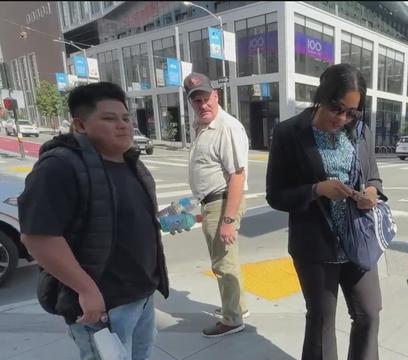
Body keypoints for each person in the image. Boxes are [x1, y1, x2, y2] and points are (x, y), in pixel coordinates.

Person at [18, 82, 169, 360]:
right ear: (80, 125)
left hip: (142, 295)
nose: (123, 125)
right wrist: (86, 290)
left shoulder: (131, 162)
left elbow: (119, 220)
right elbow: (38, 237)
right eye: (109, 118)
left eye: (125, 118)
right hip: (103, 307)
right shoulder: (59, 167)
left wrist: (163, 221)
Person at [266, 63, 384, 360]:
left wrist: (371, 192)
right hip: (316, 246)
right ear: (322, 96)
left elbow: (374, 178)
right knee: (321, 323)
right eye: (337, 108)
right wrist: (317, 190)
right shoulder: (289, 133)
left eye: (352, 112)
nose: (343, 118)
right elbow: (276, 195)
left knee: (369, 314)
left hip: (357, 241)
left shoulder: (361, 132)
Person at [183, 72, 250, 338]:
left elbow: (237, 174)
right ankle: (239, 308)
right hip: (212, 202)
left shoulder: (227, 127)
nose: (202, 104)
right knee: (227, 261)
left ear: (216, 96)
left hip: (223, 203)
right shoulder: (203, 125)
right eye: (196, 100)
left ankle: (232, 319)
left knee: (223, 265)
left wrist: (228, 220)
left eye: (206, 98)